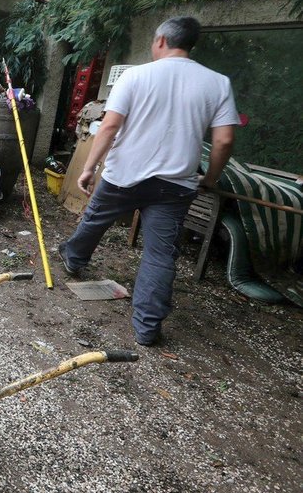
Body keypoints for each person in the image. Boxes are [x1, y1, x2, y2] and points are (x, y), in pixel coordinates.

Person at [58, 17, 239, 347]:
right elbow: (225, 141)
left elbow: (110, 126)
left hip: (124, 175)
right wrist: (210, 178)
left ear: (160, 41)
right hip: (175, 184)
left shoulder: (135, 75)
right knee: (160, 254)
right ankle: (146, 328)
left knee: (96, 219)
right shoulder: (217, 83)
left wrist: (88, 168)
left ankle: (74, 258)